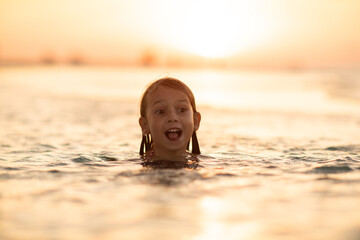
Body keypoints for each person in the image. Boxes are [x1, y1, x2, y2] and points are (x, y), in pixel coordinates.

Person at [138, 77, 201, 165]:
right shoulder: (133, 166)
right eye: (160, 111)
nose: (172, 117)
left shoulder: (210, 165)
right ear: (145, 125)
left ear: (195, 121)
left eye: (182, 110)